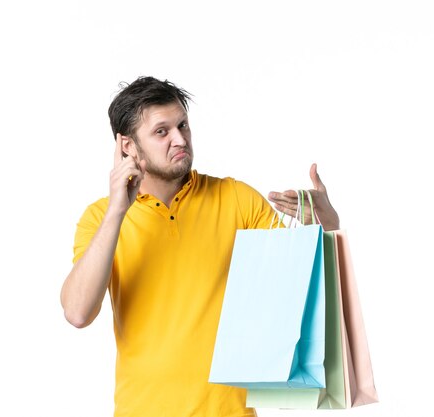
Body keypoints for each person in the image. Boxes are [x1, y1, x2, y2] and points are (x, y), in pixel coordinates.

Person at [60, 76, 340, 417]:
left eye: (182, 125)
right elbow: (77, 313)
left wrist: (327, 225)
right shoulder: (100, 218)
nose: (180, 139)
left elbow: (305, 284)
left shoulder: (236, 199)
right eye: (161, 131)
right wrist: (118, 211)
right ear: (127, 146)